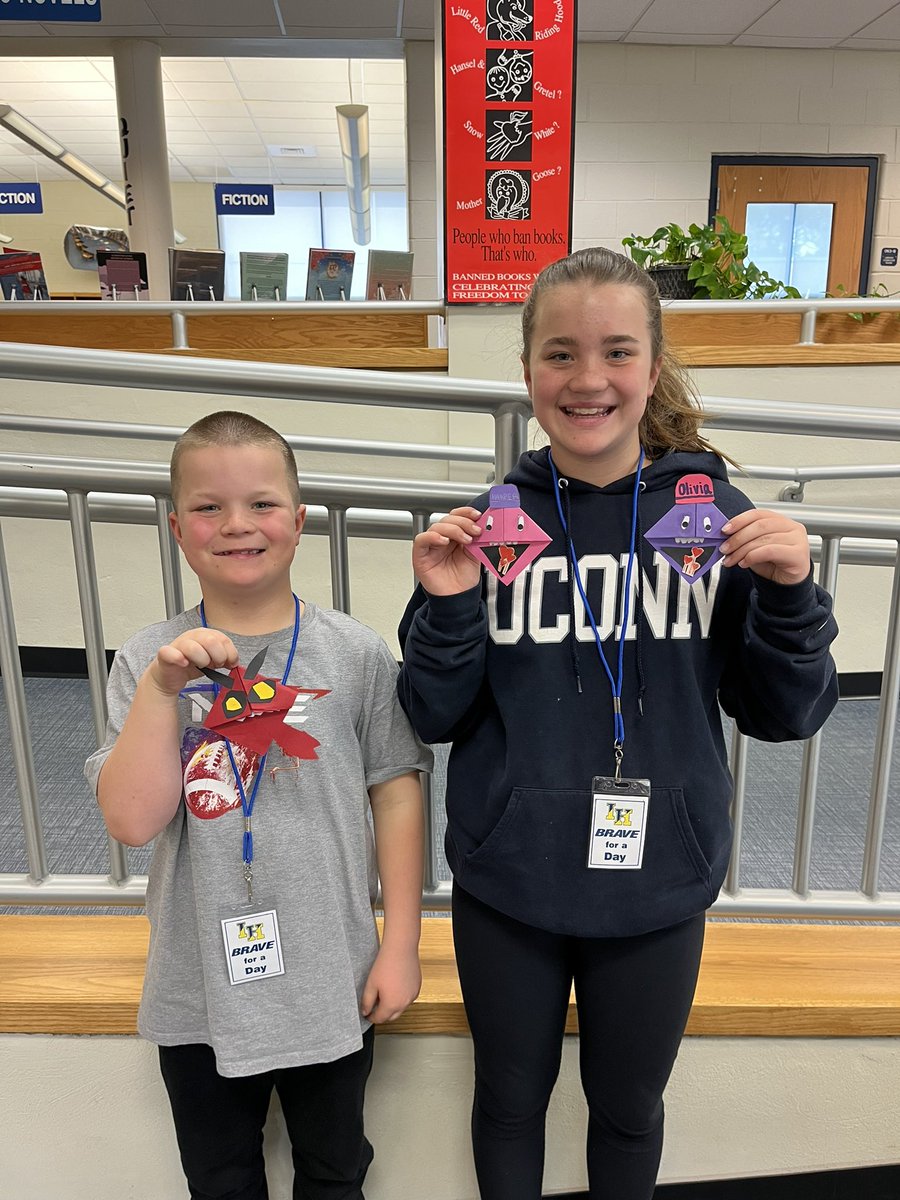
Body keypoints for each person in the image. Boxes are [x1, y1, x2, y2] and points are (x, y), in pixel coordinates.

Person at [397, 246, 839, 1200]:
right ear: (525, 370)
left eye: (616, 352)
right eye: (560, 353)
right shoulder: (488, 526)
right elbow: (430, 712)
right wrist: (445, 607)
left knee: (630, 1110)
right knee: (509, 1103)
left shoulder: (710, 518)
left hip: (658, 882)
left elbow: (785, 714)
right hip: (510, 877)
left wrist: (796, 598)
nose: (587, 380)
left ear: (652, 366)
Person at [86, 410, 430, 1200]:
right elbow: (132, 820)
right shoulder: (147, 659)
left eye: (263, 504)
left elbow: (398, 793)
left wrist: (401, 943)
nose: (237, 525)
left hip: (331, 977)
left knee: (336, 1168)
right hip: (196, 985)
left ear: (300, 521)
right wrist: (163, 692)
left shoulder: (355, 652)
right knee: (219, 1175)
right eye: (209, 507)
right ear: (177, 528)